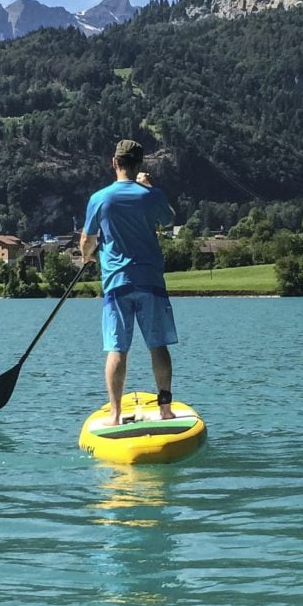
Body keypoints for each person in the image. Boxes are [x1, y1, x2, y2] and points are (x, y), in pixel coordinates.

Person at [80, 139, 178, 426]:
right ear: (140, 165)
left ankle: (115, 414)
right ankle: (165, 410)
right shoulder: (150, 195)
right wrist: (148, 188)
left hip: (116, 283)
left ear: (114, 163)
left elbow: (88, 240)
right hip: (150, 281)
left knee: (117, 348)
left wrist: (87, 257)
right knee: (157, 345)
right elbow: (169, 220)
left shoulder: (100, 199)